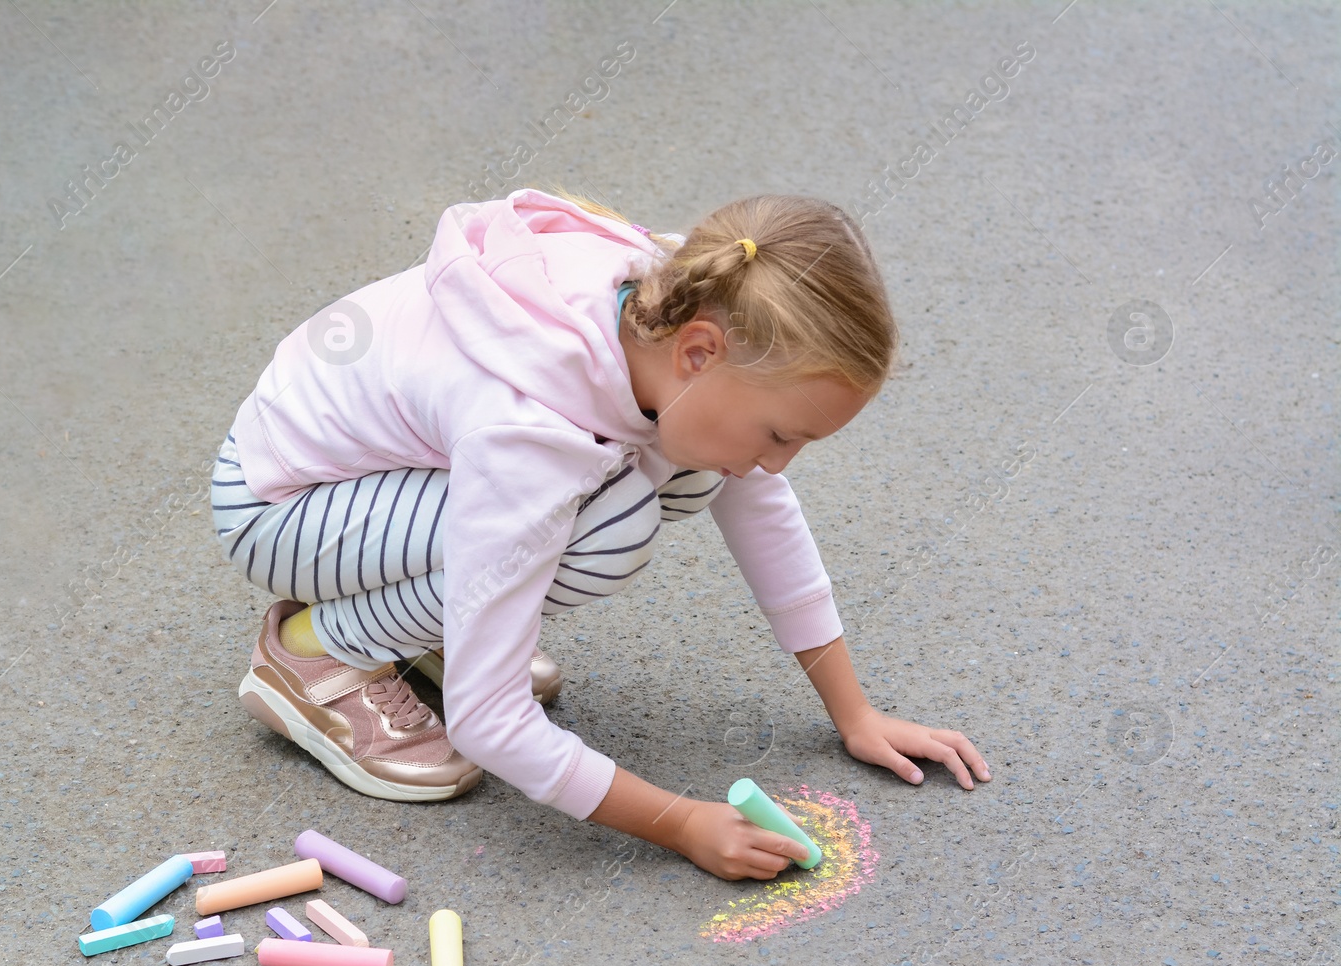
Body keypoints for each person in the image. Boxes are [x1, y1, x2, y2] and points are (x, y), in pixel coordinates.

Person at [209, 185, 989, 881]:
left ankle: (446, 623)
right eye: (781, 434)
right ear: (698, 352)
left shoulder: (691, 294)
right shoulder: (532, 432)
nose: (776, 463)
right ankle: (317, 649)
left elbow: (758, 499)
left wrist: (854, 713)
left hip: (368, 480)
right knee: (607, 527)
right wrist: (680, 822)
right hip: (279, 504)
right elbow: (490, 720)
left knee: (692, 468)